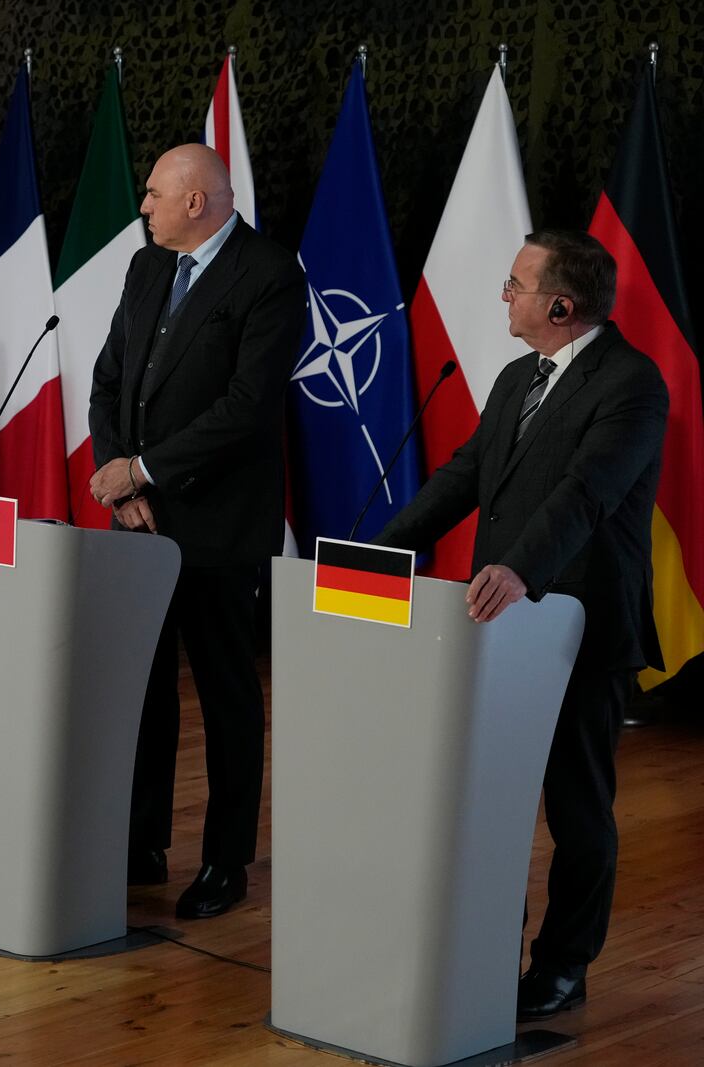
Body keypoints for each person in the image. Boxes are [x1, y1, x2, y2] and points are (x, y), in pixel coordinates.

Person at [374, 230, 667, 1021]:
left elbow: (585, 492)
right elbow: (466, 475)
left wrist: (520, 569)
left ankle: (566, 964)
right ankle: (483, 951)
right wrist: (374, 555)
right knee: (488, 800)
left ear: (561, 306)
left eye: (517, 286)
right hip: (496, 629)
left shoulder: (632, 384)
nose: (506, 296)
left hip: (577, 628)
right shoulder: (515, 378)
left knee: (576, 808)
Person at [88, 144, 306, 917]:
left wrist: (141, 470)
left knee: (225, 695)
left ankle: (225, 860)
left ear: (195, 202)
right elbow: (110, 377)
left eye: (152, 195)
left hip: (216, 524)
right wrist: (119, 477)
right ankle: (142, 842)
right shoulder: (148, 267)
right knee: (142, 689)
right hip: (139, 522)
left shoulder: (271, 274)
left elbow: (246, 409)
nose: (141, 207)